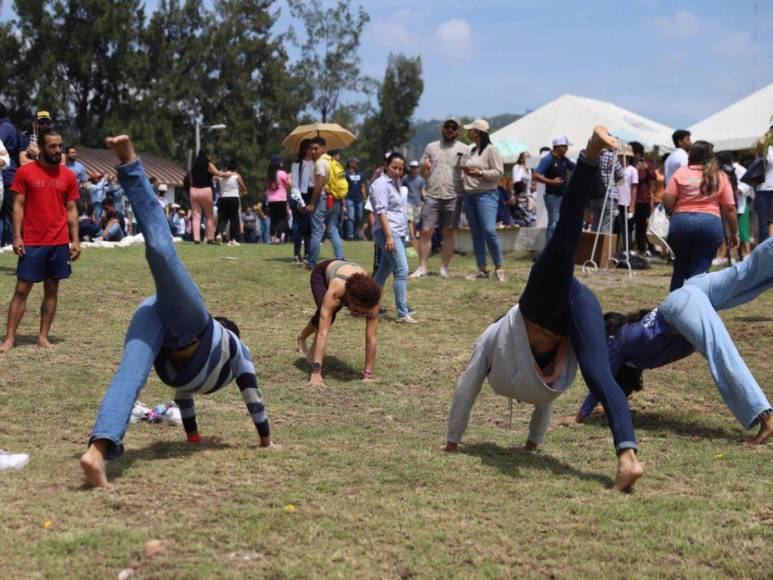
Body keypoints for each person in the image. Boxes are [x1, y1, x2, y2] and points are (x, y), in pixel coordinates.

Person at [444, 126, 644, 492]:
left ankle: (589, 155)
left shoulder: (495, 334)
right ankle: (627, 458)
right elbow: (544, 397)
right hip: (576, 304)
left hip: (541, 304)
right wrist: (533, 443)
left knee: (563, 241)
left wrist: (452, 440)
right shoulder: (522, 362)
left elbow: (467, 384)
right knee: (600, 376)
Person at [80, 135, 271, 489]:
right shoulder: (227, 344)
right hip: (183, 321)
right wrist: (266, 442)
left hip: (158, 325)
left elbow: (186, 400)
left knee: (129, 376)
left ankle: (97, 450)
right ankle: (129, 165)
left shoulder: (214, 364)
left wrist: (195, 439)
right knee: (161, 252)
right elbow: (253, 398)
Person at [572, 237, 773, 445]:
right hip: (692, 291)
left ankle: (765, 419)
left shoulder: (617, 343)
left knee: (720, 352)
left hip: (682, 304)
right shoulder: (633, 335)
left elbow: (600, 379)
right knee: (747, 271)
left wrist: (580, 416)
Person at [0, 128, 80, 353]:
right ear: (42, 148)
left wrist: (75, 240)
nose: (57, 150)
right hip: (33, 240)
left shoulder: (68, 176)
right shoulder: (25, 173)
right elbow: (18, 206)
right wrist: (17, 236)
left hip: (58, 242)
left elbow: (72, 210)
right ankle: (9, 338)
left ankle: (43, 337)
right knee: (22, 288)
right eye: (52, 146)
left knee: (52, 287)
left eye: (59, 146)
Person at [296, 260, 383, 387]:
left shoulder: (372, 303)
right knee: (326, 316)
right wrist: (316, 372)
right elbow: (322, 333)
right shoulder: (336, 292)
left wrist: (368, 375)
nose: (361, 315)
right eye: (359, 311)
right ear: (350, 300)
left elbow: (371, 339)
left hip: (350, 279)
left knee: (327, 316)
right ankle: (302, 338)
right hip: (322, 274)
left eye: (365, 313)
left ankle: (303, 339)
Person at [664, 140, 737, 290]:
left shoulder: (681, 173)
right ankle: (694, 307)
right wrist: (734, 233)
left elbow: (668, 201)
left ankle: (674, 306)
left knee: (679, 268)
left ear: (691, 155)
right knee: (699, 272)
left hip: (681, 222)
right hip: (710, 224)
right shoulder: (720, 176)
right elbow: (729, 209)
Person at [410, 117, 469, 279]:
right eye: (447, 126)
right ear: (443, 129)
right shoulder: (431, 147)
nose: (450, 129)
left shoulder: (464, 149)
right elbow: (423, 173)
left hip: (454, 195)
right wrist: (423, 168)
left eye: (453, 127)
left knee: (448, 232)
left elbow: (468, 172)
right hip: (432, 194)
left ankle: (444, 268)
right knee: (426, 230)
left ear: (458, 131)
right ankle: (422, 267)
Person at [370, 152, 417, 324]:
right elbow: (381, 212)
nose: (397, 171)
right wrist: (389, 236)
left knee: (383, 272)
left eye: (400, 168)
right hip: (388, 233)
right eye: (394, 167)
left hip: (397, 232)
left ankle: (365, 305)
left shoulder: (396, 183)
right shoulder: (381, 184)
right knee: (402, 271)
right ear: (386, 166)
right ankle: (402, 313)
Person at [461, 119, 506, 282]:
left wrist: (480, 173)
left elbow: (499, 172)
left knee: (489, 231)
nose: (467, 132)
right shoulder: (472, 150)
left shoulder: (491, 150)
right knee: (476, 234)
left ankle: (499, 267)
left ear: (478, 132)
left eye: (470, 130)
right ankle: (482, 269)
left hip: (486, 195)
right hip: (469, 195)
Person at [306, 136, 346, 269]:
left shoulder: (321, 162)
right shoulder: (331, 160)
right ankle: (340, 259)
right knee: (332, 229)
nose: (313, 151)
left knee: (317, 231)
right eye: (311, 149)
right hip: (334, 199)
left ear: (324, 149)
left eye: (316, 148)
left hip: (323, 198)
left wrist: (312, 204)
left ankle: (311, 263)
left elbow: (319, 183)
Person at [533, 135, 576, 242]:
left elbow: (575, 167)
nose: (567, 149)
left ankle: (557, 247)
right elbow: (536, 175)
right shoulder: (547, 159)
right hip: (552, 196)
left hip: (562, 195)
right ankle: (549, 250)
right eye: (565, 146)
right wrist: (552, 182)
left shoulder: (563, 159)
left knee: (560, 222)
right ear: (559, 147)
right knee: (553, 222)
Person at [189, 150, 232, 244]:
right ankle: (210, 238)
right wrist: (229, 174)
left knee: (196, 216)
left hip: (194, 190)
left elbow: (191, 180)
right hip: (205, 190)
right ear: (207, 155)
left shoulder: (194, 166)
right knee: (209, 215)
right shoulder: (209, 165)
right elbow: (219, 174)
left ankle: (196, 239)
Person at [631, 142, 657, 255]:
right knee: (634, 225)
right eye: (634, 153)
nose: (636, 156)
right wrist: (635, 169)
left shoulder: (647, 165)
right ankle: (638, 247)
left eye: (638, 153)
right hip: (633, 199)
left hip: (644, 199)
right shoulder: (630, 165)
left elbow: (654, 177)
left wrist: (647, 169)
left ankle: (648, 247)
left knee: (645, 225)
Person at [290, 139, 314, 263]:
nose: (313, 151)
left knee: (309, 227)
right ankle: (296, 254)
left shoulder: (316, 163)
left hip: (312, 196)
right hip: (298, 197)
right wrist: (301, 203)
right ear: (305, 149)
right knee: (299, 226)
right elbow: (294, 185)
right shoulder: (297, 164)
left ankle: (307, 254)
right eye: (311, 148)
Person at [217, 160, 247, 246]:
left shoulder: (220, 177)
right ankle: (232, 240)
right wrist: (239, 191)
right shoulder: (236, 176)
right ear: (236, 169)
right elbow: (244, 188)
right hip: (234, 198)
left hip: (223, 198)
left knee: (223, 218)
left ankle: (219, 234)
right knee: (233, 218)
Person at [753, 125, 773, 243]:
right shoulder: (765, 149)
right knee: (764, 226)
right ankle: (764, 256)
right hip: (764, 190)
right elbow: (760, 143)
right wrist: (768, 135)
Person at [266, 156, 291, 244]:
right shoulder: (282, 173)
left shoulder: (269, 174)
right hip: (281, 199)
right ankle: (278, 238)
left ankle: (272, 237)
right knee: (282, 219)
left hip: (271, 199)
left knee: (273, 219)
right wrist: (289, 177)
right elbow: (289, 183)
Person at [402, 160, 425, 251]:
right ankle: (412, 236)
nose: (413, 169)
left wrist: (425, 200)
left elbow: (422, 191)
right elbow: (402, 189)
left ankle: (417, 236)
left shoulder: (421, 179)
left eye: (415, 167)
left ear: (418, 168)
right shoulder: (405, 178)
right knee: (410, 220)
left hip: (418, 202)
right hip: (408, 202)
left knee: (418, 221)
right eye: (412, 167)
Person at [345, 157, 364, 241]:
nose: (357, 164)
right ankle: (350, 235)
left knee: (359, 216)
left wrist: (365, 198)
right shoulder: (346, 174)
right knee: (351, 217)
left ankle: (356, 232)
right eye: (356, 163)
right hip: (349, 198)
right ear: (350, 163)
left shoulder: (360, 173)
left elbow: (362, 186)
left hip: (359, 199)